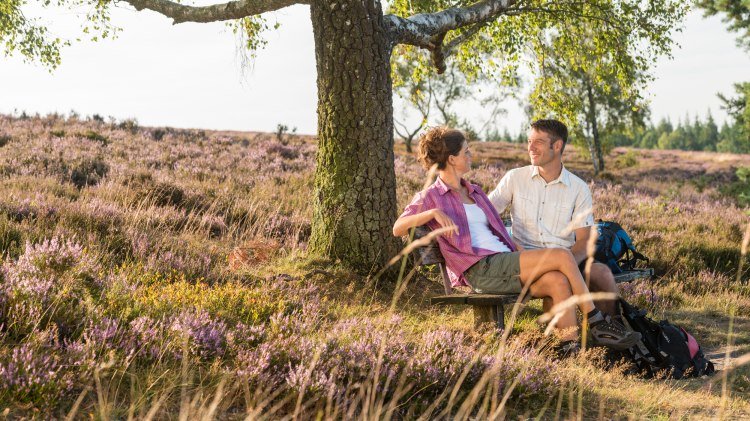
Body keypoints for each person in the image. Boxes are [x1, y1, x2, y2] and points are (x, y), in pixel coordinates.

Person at [393, 126, 639, 351]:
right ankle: (597, 322)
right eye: (466, 151)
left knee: (557, 280)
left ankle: (567, 349)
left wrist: (518, 249)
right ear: (452, 159)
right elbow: (398, 228)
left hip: (504, 261)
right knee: (562, 255)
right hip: (481, 267)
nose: (471, 155)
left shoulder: (474, 191)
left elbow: (497, 229)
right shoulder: (432, 196)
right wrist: (432, 212)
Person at [488, 119, 619, 317]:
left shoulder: (578, 188)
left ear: (557, 146)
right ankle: (562, 342)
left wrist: (568, 265)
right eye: (529, 141)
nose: (530, 147)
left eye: (538, 142)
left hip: (566, 259)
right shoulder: (515, 178)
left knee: (602, 274)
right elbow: (486, 214)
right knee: (558, 278)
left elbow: (584, 241)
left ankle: (611, 334)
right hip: (526, 261)